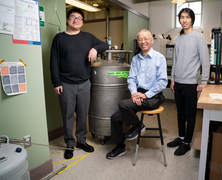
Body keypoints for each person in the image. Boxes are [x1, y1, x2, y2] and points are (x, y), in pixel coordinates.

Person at [50, 8, 109, 159]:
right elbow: (54, 62)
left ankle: (81, 141)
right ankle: (70, 144)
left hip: (84, 83)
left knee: (83, 114)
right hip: (65, 83)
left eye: (79, 18)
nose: (76, 20)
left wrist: (95, 48)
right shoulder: (59, 38)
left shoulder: (88, 37)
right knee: (68, 115)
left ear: (82, 22)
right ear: (68, 19)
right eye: (73, 17)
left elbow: (105, 45)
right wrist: (56, 83)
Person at [106, 29, 168, 159]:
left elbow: (162, 82)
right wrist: (135, 94)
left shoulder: (159, 58)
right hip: (138, 94)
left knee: (123, 104)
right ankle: (120, 146)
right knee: (115, 118)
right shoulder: (135, 59)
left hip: (153, 96)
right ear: (137, 42)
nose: (143, 41)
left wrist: (145, 95)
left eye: (146, 38)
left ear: (152, 40)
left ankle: (138, 126)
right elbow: (131, 79)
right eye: (140, 39)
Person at [167, 8, 210, 156]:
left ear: (192, 19)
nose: (184, 20)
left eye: (187, 17)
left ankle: (186, 143)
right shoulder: (178, 39)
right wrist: (172, 79)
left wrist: (204, 81)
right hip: (178, 82)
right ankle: (181, 137)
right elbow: (175, 61)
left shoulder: (198, 38)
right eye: (182, 17)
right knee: (180, 113)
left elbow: (205, 61)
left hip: (191, 83)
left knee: (190, 115)